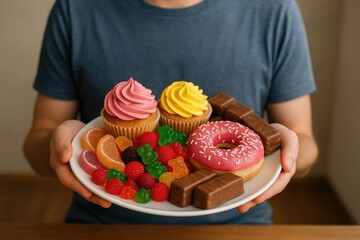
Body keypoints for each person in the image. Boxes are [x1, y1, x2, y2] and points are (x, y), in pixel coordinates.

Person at [23, 0, 318, 224]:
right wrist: (60, 146)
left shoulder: (274, 9)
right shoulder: (76, 9)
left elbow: (305, 146)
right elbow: (37, 144)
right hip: (102, 223)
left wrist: (288, 152)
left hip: (238, 223)